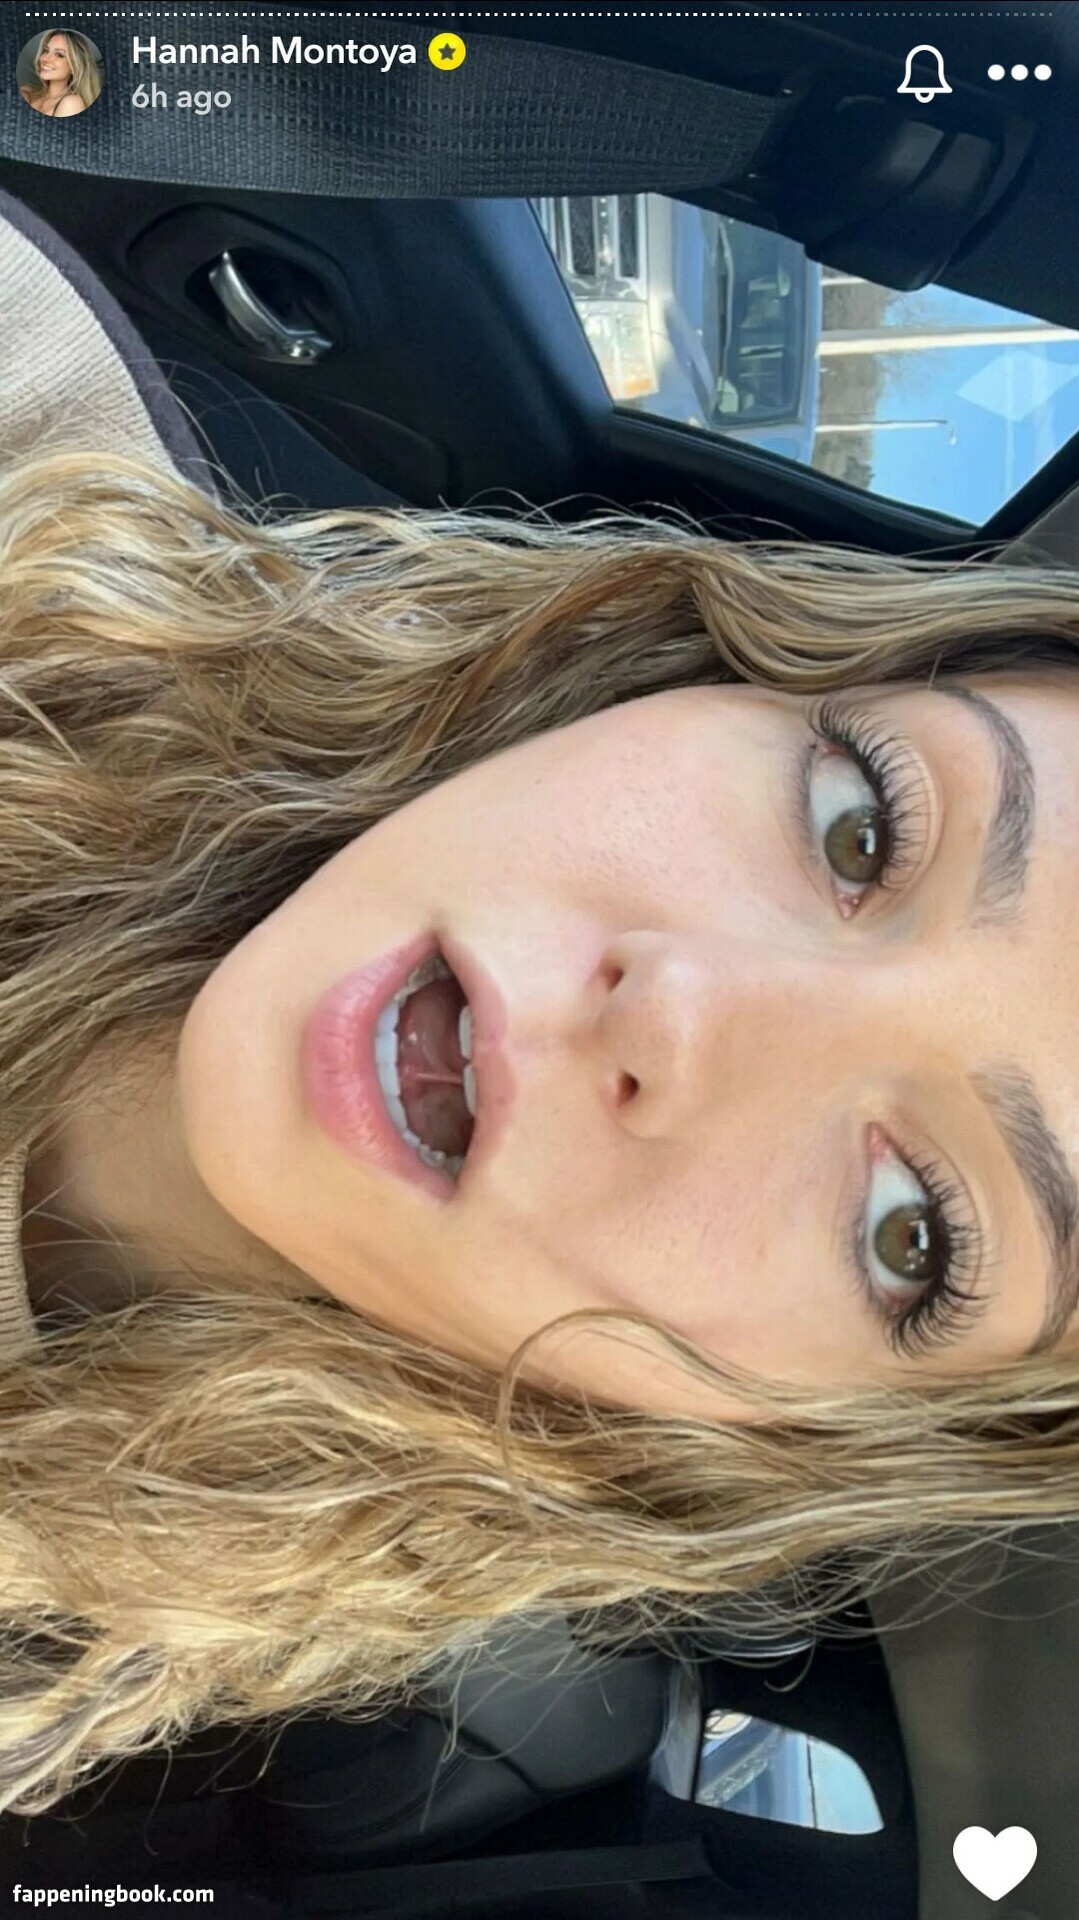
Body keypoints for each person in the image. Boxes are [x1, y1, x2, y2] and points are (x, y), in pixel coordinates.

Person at [2, 443, 1079, 1823]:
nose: (678, 1012)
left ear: (815, 1434)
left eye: (909, 1231)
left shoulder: (78, 1697)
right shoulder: (34, 444)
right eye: (860, 829)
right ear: (718, 674)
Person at [19, 30, 100, 118]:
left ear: (75, 67)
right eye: (46, 51)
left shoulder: (71, 103)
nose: (45, 59)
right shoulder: (28, 92)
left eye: (59, 55)